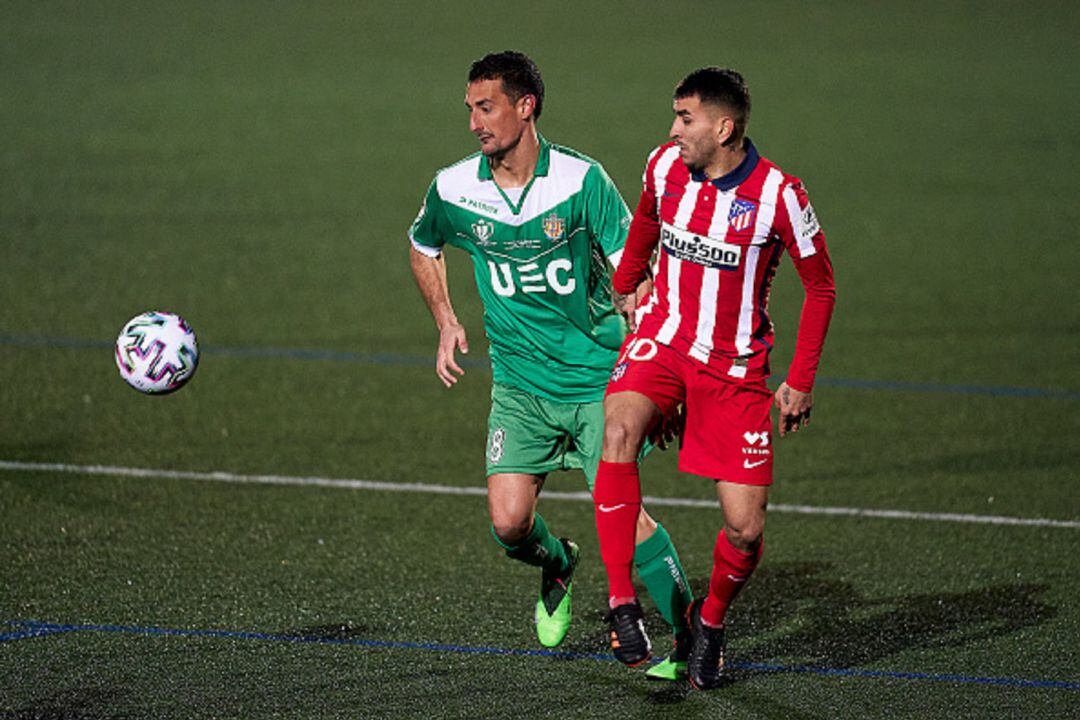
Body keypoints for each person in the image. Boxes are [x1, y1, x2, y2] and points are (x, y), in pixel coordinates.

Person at [408, 51, 694, 679]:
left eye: (486, 108)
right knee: (509, 523)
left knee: (627, 520)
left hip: (598, 380)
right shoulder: (453, 188)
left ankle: (691, 637)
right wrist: (446, 320)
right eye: (470, 110)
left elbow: (635, 278)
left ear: (525, 106)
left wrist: (658, 375)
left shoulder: (582, 181)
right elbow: (423, 244)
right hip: (519, 386)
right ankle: (559, 562)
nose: (474, 123)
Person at [592, 67, 837, 690]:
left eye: (685, 119)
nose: (673, 130)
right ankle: (622, 603)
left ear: (723, 128)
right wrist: (627, 283)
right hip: (664, 341)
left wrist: (800, 379)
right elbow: (646, 222)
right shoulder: (663, 166)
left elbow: (820, 286)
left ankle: (711, 622)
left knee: (745, 530)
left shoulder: (780, 194)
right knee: (616, 432)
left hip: (734, 372)